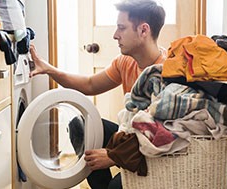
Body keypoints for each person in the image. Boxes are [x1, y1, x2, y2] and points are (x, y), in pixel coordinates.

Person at [29, 0, 166, 188]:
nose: (115, 35)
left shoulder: (165, 72)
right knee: (82, 127)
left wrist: (113, 156)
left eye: (121, 28)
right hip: (132, 135)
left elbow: (162, 137)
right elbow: (90, 84)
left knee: (116, 187)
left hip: (156, 149)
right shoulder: (125, 62)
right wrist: (49, 70)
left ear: (143, 30)